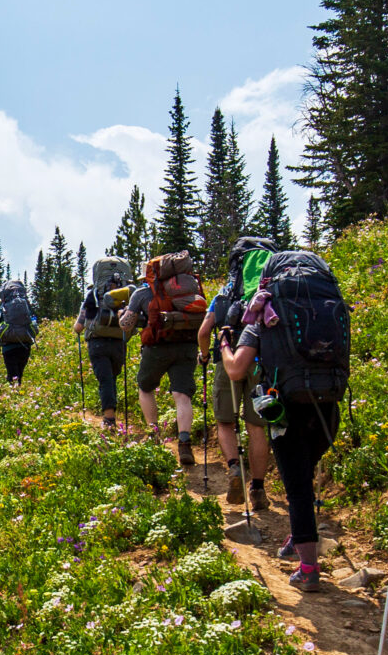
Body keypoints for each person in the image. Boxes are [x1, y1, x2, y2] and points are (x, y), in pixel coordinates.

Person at [222, 251, 348, 593]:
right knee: (303, 474)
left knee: (297, 485)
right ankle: (299, 535)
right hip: (329, 402)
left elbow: (236, 369)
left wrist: (223, 343)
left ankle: (308, 568)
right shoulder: (330, 304)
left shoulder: (263, 311)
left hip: (286, 405)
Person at [196, 242, 275, 510]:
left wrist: (205, 356)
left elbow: (204, 331)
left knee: (225, 422)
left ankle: (233, 469)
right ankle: (259, 488)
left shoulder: (224, 294)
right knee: (256, 427)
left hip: (227, 361)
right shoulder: (270, 292)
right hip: (259, 362)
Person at [119, 267, 200, 469]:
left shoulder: (141, 293)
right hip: (187, 345)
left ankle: (154, 435)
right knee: (182, 395)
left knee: (145, 387)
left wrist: (123, 314)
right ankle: (184, 443)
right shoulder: (189, 288)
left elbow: (126, 325)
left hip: (157, 346)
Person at [76, 261, 131, 433]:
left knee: (105, 380)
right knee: (112, 378)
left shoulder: (92, 296)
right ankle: (112, 413)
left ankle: (109, 419)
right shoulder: (126, 295)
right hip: (119, 343)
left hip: (98, 343)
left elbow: (79, 326)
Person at [0, 281, 37, 386]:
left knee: (12, 375)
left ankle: (13, 396)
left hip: (8, 347)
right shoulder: (26, 308)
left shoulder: (0, 311)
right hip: (25, 345)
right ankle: (18, 392)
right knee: (19, 374)